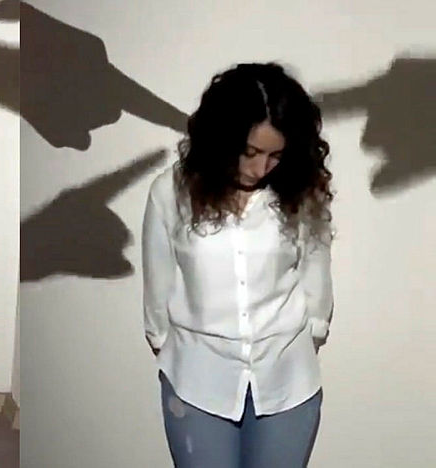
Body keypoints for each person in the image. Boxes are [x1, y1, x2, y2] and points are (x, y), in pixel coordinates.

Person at [142, 63, 334, 468]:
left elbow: (315, 281)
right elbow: (157, 290)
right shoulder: (171, 193)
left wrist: (310, 334)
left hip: (288, 385)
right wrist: (170, 342)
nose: (260, 169)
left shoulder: (300, 194)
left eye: (275, 155)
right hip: (196, 383)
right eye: (250, 153)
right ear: (221, 138)